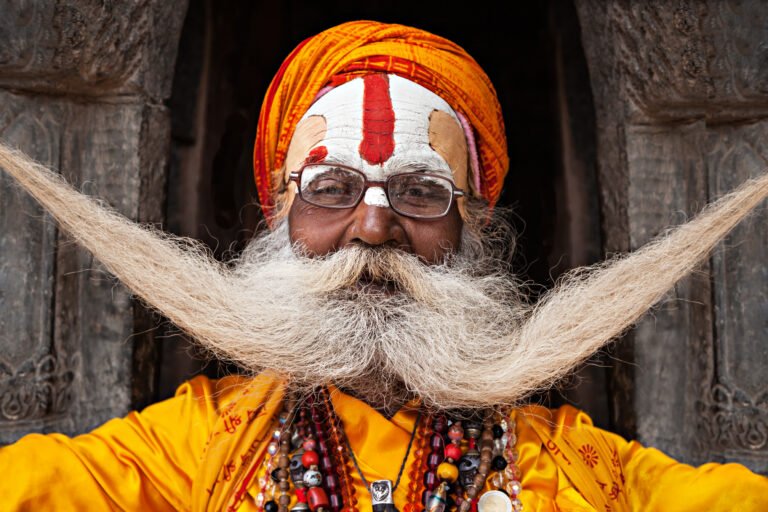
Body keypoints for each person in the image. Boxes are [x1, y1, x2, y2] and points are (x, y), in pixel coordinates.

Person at [0, 20, 767, 512]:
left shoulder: (567, 466)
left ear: (475, 227)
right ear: (279, 215)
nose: (373, 226)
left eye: (421, 192)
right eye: (330, 189)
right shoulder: (200, 443)